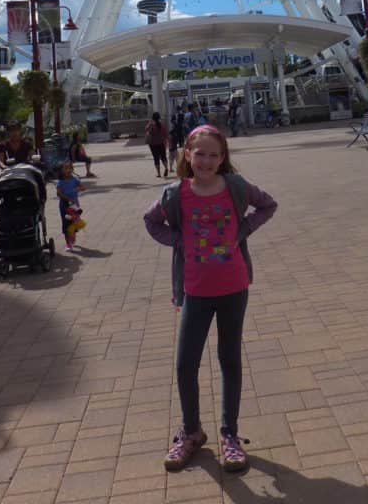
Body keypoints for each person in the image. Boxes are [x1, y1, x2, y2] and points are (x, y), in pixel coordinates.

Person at [143, 124, 277, 474]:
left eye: (213, 155)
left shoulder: (235, 186)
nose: (205, 160)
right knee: (185, 364)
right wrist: (179, 241)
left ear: (223, 158)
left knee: (229, 359)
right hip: (195, 291)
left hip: (234, 287)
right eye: (199, 153)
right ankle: (191, 431)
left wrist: (243, 230)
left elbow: (267, 205)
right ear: (187, 154)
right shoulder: (176, 194)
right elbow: (151, 221)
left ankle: (229, 434)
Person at [55, 160, 88, 251]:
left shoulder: (75, 179)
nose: (68, 170)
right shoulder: (60, 182)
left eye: (70, 168)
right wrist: (67, 198)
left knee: (74, 221)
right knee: (66, 223)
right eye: (66, 168)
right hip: (64, 205)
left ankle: (72, 235)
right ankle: (68, 243)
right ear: (61, 170)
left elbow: (83, 187)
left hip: (74, 205)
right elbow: (58, 193)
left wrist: (78, 188)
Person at [145, 112, 170, 178]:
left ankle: (158, 173)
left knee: (156, 158)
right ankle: (166, 167)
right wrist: (167, 141)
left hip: (153, 144)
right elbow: (166, 134)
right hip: (161, 143)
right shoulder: (161, 124)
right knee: (163, 157)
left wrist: (150, 123)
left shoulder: (151, 124)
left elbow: (146, 129)